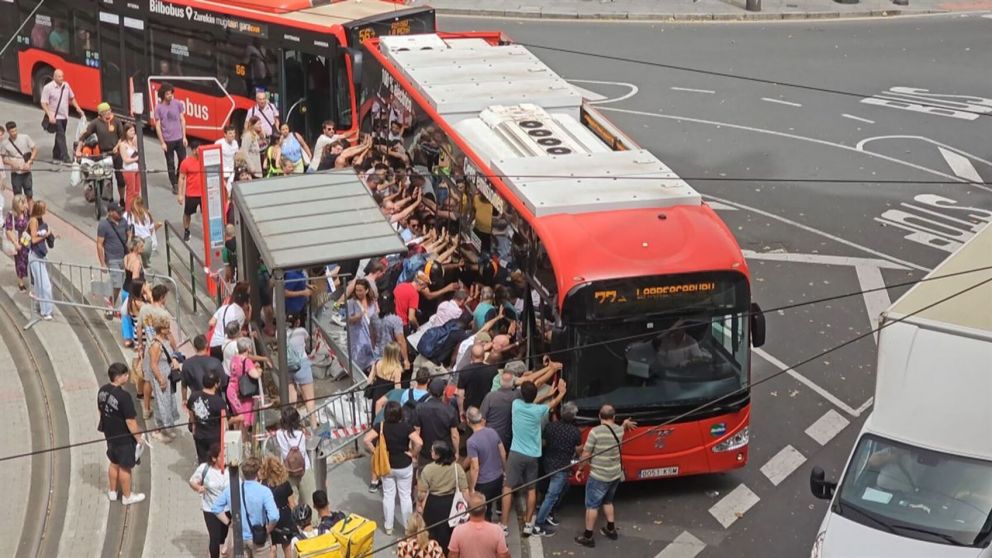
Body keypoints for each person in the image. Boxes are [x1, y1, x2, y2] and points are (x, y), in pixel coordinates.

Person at [501, 379, 568, 538]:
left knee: (507, 487)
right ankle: (528, 524)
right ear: (535, 395)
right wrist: (560, 392)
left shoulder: (516, 404)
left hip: (516, 452)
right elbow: (551, 404)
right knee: (532, 489)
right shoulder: (539, 410)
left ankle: (503, 524)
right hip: (533, 455)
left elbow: (530, 401)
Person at [574, 404, 636, 548]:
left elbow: (586, 453)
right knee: (608, 502)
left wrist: (580, 468)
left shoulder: (595, 432)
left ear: (599, 417)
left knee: (592, 506)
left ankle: (588, 537)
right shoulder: (619, 431)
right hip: (615, 474)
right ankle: (611, 529)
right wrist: (625, 423)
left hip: (599, 476)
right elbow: (622, 427)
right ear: (614, 417)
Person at [363, 400, 423, 536]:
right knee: (405, 496)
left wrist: (375, 451)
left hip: (387, 465)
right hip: (404, 465)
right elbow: (419, 442)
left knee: (388, 495)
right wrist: (413, 453)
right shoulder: (406, 427)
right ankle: (408, 527)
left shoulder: (381, 426)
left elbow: (366, 439)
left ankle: (388, 526)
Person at [211, 456, 280, 558]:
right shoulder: (264, 491)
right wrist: (267, 530)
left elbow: (216, 508)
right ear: (258, 473)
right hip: (259, 538)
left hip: (239, 537)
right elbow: (274, 516)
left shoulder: (231, 490)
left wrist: (229, 523)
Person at [98, 362, 146, 505]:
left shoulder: (102, 390)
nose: (128, 376)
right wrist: (138, 438)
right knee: (125, 467)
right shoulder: (124, 396)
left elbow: (100, 410)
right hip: (123, 438)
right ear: (118, 377)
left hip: (109, 434)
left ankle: (112, 491)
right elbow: (130, 421)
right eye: (126, 374)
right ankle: (127, 496)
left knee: (114, 463)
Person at [534, 402, 582, 536]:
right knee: (552, 496)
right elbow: (578, 450)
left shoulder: (551, 427)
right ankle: (539, 524)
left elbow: (544, 442)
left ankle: (546, 510)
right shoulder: (575, 432)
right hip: (562, 467)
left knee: (564, 487)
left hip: (548, 463)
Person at [416, 441, 469, 553]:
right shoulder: (457, 468)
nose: (431, 452)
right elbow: (465, 490)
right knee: (449, 533)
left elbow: (422, 493)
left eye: (432, 451)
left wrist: (419, 502)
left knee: (432, 533)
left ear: (438, 454)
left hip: (433, 504)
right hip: (451, 504)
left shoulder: (428, 469)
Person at [77, 103, 126, 202]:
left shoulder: (116, 121)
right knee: (108, 178)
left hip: (116, 154)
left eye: (109, 111)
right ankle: (110, 199)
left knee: (120, 179)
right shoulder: (96, 123)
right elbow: (84, 136)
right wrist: (78, 150)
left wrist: (117, 146)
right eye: (105, 113)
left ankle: (121, 199)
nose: (108, 114)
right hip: (104, 154)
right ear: (100, 114)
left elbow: (122, 137)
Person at [189, 443, 231, 558]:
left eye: (225, 456)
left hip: (226, 509)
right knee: (215, 537)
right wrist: (199, 488)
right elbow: (192, 481)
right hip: (210, 509)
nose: (224, 459)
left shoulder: (230, 470)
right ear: (214, 458)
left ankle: (218, 549)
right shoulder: (204, 468)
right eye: (221, 457)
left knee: (223, 535)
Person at [465, 407, 506, 522]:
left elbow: (475, 467)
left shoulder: (471, 441)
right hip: (498, 477)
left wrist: (472, 488)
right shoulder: (492, 431)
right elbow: (502, 453)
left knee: (484, 512)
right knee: (496, 501)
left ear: (468, 421)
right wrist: (504, 470)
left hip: (484, 482)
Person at [145, 313, 181, 441]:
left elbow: (174, 349)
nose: (169, 329)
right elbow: (153, 364)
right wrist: (161, 379)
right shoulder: (155, 345)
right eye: (166, 328)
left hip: (168, 375)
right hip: (161, 376)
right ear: (161, 329)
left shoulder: (165, 339)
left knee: (169, 401)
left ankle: (167, 427)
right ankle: (161, 429)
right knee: (162, 403)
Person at [414, 378, 460, 471]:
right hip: (444, 453)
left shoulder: (419, 408)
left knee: (424, 480)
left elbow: (416, 432)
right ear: (443, 392)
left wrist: (415, 452)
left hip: (426, 453)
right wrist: (457, 452)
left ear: (429, 391)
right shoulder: (450, 410)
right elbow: (454, 435)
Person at [40, 68, 84, 163]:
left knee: (60, 134)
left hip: (64, 115)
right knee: (61, 135)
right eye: (59, 76)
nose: (61, 78)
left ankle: (56, 153)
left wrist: (78, 108)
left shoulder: (66, 85)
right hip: (55, 117)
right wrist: (50, 115)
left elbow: (72, 98)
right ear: (54, 77)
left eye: (62, 76)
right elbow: (43, 103)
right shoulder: (48, 87)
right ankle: (65, 156)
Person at [448, 492, 510, 558]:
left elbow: (453, 555)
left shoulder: (458, 531)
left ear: (468, 510)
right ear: (485, 509)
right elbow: (503, 556)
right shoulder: (497, 530)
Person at [274, 407, 315, 508]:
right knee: (309, 500)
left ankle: (296, 522)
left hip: (288, 470)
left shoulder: (279, 434)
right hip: (304, 469)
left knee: (293, 503)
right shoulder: (301, 434)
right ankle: (312, 522)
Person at [153, 83, 188, 195]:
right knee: (170, 162)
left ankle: (179, 177)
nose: (170, 96)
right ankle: (174, 184)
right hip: (168, 140)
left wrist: (184, 136)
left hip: (179, 138)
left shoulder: (177, 104)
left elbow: (182, 120)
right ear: (163, 95)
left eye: (171, 93)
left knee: (183, 160)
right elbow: (158, 126)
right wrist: (162, 142)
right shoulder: (158, 108)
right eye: (167, 94)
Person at [259, 455, 296, 558]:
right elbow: (292, 504)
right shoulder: (285, 484)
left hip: (270, 517)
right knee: (287, 547)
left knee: (272, 547)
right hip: (285, 516)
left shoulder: (264, 485)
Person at [187, 369, 227, 463]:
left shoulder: (194, 396)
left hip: (199, 435)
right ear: (216, 384)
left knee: (202, 461)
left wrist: (193, 425)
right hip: (214, 437)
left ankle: (203, 475)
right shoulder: (219, 402)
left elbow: (190, 410)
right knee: (215, 461)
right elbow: (225, 422)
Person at [96, 201, 130, 310]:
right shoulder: (103, 225)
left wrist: (129, 242)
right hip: (112, 259)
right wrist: (102, 263)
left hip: (124, 258)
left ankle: (113, 301)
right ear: (110, 212)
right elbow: (99, 244)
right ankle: (113, 304)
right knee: (117, 284)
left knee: (123, 284)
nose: (120, 213)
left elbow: (129, 233)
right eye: (118, 211)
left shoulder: (123, 222)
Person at [286, 313, 317, 428]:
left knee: (291, 400)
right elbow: (308, 338)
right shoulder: (302, 331)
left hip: (288, 367)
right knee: (309, 399)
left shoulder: (279, 333)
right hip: (302, 365)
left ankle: (291, 425)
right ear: (298, 322)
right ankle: (314, 426)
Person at [227, 337, 262, 435]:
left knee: (238, 418)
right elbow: (255, 374)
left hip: (232, 391)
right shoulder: (246, 361)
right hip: (243, 393)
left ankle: (237, 440)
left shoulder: (234, 358)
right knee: (244, 420)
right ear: (248, 348)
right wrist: (259, 369)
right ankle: (243, 442)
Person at [26, 201, 54, 320]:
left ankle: (42, 306)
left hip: (39, 255)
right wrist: (46, 235)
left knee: (40, 283)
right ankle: (46, 311)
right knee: (45, 284)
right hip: (35, 256)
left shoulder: (39, 220)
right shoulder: (34, 221)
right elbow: (33, 240)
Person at [479, 371, 519, 451]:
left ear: (500, 382)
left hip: (489, 436)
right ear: (512, 383)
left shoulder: (490, 396)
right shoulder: (516, 396)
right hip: (507, 438)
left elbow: (482, 419)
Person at [346, 278, 379, 373]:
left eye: (360, 290)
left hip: (371, 337)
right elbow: (349, 319)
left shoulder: (372, 302)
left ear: (367, 290)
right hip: (358, 338)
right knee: (358, 361)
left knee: (372, 361)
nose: (358, 292)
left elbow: (376, 314)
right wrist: (359, 316)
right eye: (356, 290)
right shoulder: (352, 303)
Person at [457, 345, 499, 419]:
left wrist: (461, 411)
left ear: (471, 356)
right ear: (483, 356)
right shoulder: (493, 371)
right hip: (486, 408)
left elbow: (460, 394)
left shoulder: (464, 371)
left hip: (470, 409)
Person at [208, 285, 250, 359]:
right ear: (245, 304)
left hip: (214, 344)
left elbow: (211, 322)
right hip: (226, 346)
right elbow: (237, 334)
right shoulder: (241, 314)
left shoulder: (224, 307)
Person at [1, 121, 38, 204]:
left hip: (26, 171)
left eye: (15, 130)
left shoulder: (25, 137)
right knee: (18, 197)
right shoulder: (5, 144)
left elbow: (35, 149)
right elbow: (2, 159)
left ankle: (30, 214)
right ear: (8, 132)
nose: (14, 133)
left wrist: (29, 161)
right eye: (12, 131)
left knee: (29, 195)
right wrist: (12, 163)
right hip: (15, 173)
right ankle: (20, 215)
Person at [124, 196, 159, 268]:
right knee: (146, 264)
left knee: (134, 261)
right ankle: (147, 275)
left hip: (136, 240)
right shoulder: (146, 214)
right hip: (146, 240)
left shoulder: (128, 215)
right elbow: (151, 229)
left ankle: (137, 274)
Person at [4, 194, 30, 291]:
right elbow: (8, 230)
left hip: (27, 240)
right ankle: (21, 283)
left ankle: (31, 279)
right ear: (16, 204)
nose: (24, 205)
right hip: (18, 242)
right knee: (20, 263)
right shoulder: (11, 215)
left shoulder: (26, 212)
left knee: (28, 261)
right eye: (22, 203)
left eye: (24, 202)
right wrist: (15, 243)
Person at [177, 147, 203, 242]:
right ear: (193, 150)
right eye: (197, 149)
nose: (199, 151)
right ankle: (186, 230)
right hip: (191, 194)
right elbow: (181, 178)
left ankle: (207, 232)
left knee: (206, 215)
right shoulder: (186, 162)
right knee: (187, 214)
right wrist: (180, 194)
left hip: (203, 194)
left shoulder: (205, 160)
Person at [116, 123, 141, 212]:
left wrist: (135, 137)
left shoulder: (134, 142)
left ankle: (136, 209)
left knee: (137, 191)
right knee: (131, 191)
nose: (133, 132)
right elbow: (125, 159)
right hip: (129, 170)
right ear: (126, 132)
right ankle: (128, 211)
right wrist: (136, 159)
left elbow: (139, 143)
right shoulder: (123, 145)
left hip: (137, 169)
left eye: (134, 130)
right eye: (130, 131)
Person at [215, 125, 239, 193]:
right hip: (222, 171)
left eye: (234, 133)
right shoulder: (218, 143)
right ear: (225, 134)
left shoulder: (235, 143)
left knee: (229, 191)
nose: (233, 135)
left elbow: (236, 156)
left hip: (231, 171)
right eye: (230, 133)